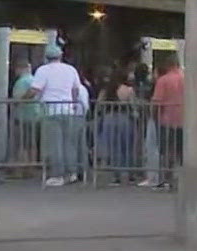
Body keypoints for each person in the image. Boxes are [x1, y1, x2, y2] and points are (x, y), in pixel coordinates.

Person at [29, 44, 88, 187]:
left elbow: (35, 90)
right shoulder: (70, 69)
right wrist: (73, 103)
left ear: (46, 57)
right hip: (68, 110)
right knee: (70, 144)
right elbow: (75, 89)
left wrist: (21, 100)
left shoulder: (43, 70)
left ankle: (57, 174)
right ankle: (71, 173)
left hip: (51, 111)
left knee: (55, 145)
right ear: (60, 56)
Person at [93, 66, 137, 184]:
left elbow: (99, 104)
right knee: (126, 146)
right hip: (124, 118)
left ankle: (115, 176)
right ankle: (129, 173)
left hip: (109, 118)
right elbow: (133, 107)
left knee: (113, 147)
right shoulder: (128, 90)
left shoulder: (106, 90)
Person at [146, 54, 184, 190]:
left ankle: (168, 180)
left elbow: (156, 101)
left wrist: (152, 116)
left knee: (167, 151)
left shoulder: (163, 80)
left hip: (167, 120)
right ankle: (183, 179)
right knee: (182, 151)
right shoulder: (187, 79)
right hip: (184, 121)